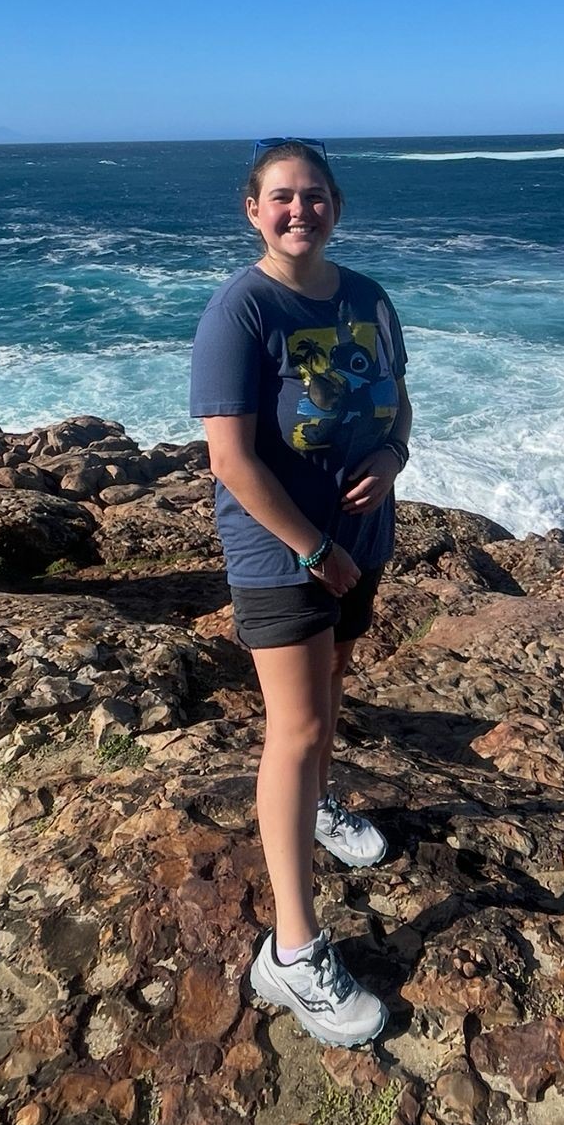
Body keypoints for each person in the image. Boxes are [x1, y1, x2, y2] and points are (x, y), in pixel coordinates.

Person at [189, 139, 411, 1047]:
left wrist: (392, 459)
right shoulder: (241, 310)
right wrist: (313, 545)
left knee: (334, 689)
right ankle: (290, 951)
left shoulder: (369, 297)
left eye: (313, 196)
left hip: (359, 543)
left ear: (336, 206)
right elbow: (230, 459)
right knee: (298, 728)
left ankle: (318, 807)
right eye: (281, 197)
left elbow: (399, 406)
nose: (298, 210)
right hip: (283, 552)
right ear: (253, 210)